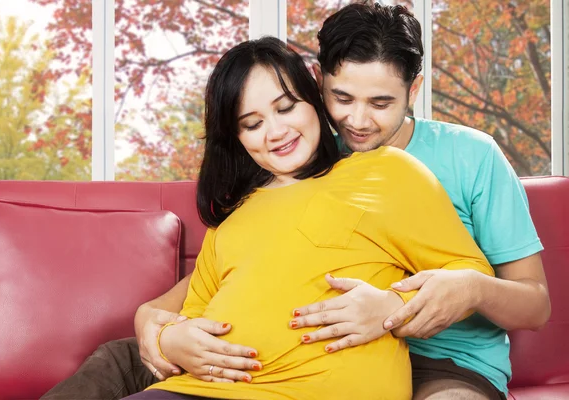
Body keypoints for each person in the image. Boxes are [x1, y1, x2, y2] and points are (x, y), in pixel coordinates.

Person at [42, 3, 550, 400]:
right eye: (340, 98)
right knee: (118, 360)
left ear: (413, 89)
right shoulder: (299, 148)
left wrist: (460, 288)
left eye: (381, 103)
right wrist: (152, 319)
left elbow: (535, 303)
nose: (357, 122)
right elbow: (245, 263)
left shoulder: (466, 156)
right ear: (317, 82)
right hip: (289, 354)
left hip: (443, 361)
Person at [119, 36, 494, 400]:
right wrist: (172, 341)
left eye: (285, 108)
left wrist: (393, 307)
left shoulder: (386, 172)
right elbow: (192, 316)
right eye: (252, 124)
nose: (276, 132)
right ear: (236, 139)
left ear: (313, 99)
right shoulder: (232, 220)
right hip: (197, 390)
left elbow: (468, 272)